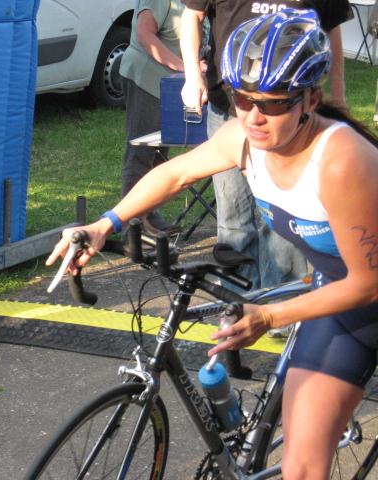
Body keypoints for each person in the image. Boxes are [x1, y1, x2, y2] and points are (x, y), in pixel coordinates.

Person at [47, 10, 378, 478]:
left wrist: (269, 317)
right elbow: (175, 174)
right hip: (342, 295)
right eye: (242, 99)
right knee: (301, 466)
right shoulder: (242, 138)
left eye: (273, 104)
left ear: (311, 99)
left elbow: (367, 284)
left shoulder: (342, 161)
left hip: (363, 290)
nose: (254, 117)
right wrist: (108, 223)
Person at [179, 1, 353, 292]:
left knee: (284, 221)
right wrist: (192, 75)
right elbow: (191, 17)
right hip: (231, 107)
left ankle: (282, 303)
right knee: (234, 220)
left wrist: (337, 94)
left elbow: (331, 28)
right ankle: (237, 302)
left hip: (286, 116)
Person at [119, 0, 185, 236]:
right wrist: (182, 66)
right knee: (141, 152)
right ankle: (130, 226)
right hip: (146, 78)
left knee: (160, 152)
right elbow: (145, 35)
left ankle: (150, 213)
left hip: (170, 84)